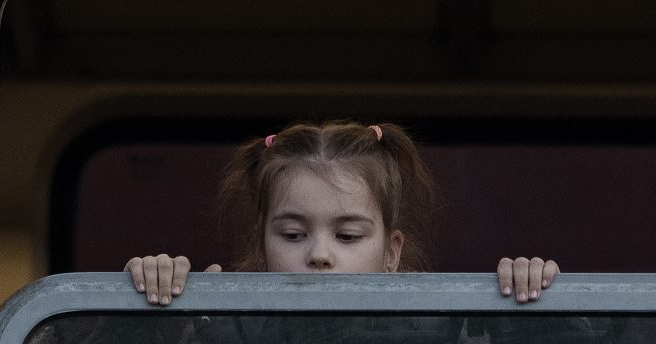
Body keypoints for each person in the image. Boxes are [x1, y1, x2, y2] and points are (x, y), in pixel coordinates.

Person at [123, 120, 558, 304]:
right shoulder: (219, 335)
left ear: (392, 252)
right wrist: (164, 309)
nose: (320, 255)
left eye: (348, 236)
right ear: (260, 243)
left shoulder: (438, 339)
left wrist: (527, 297)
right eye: (293, 235)